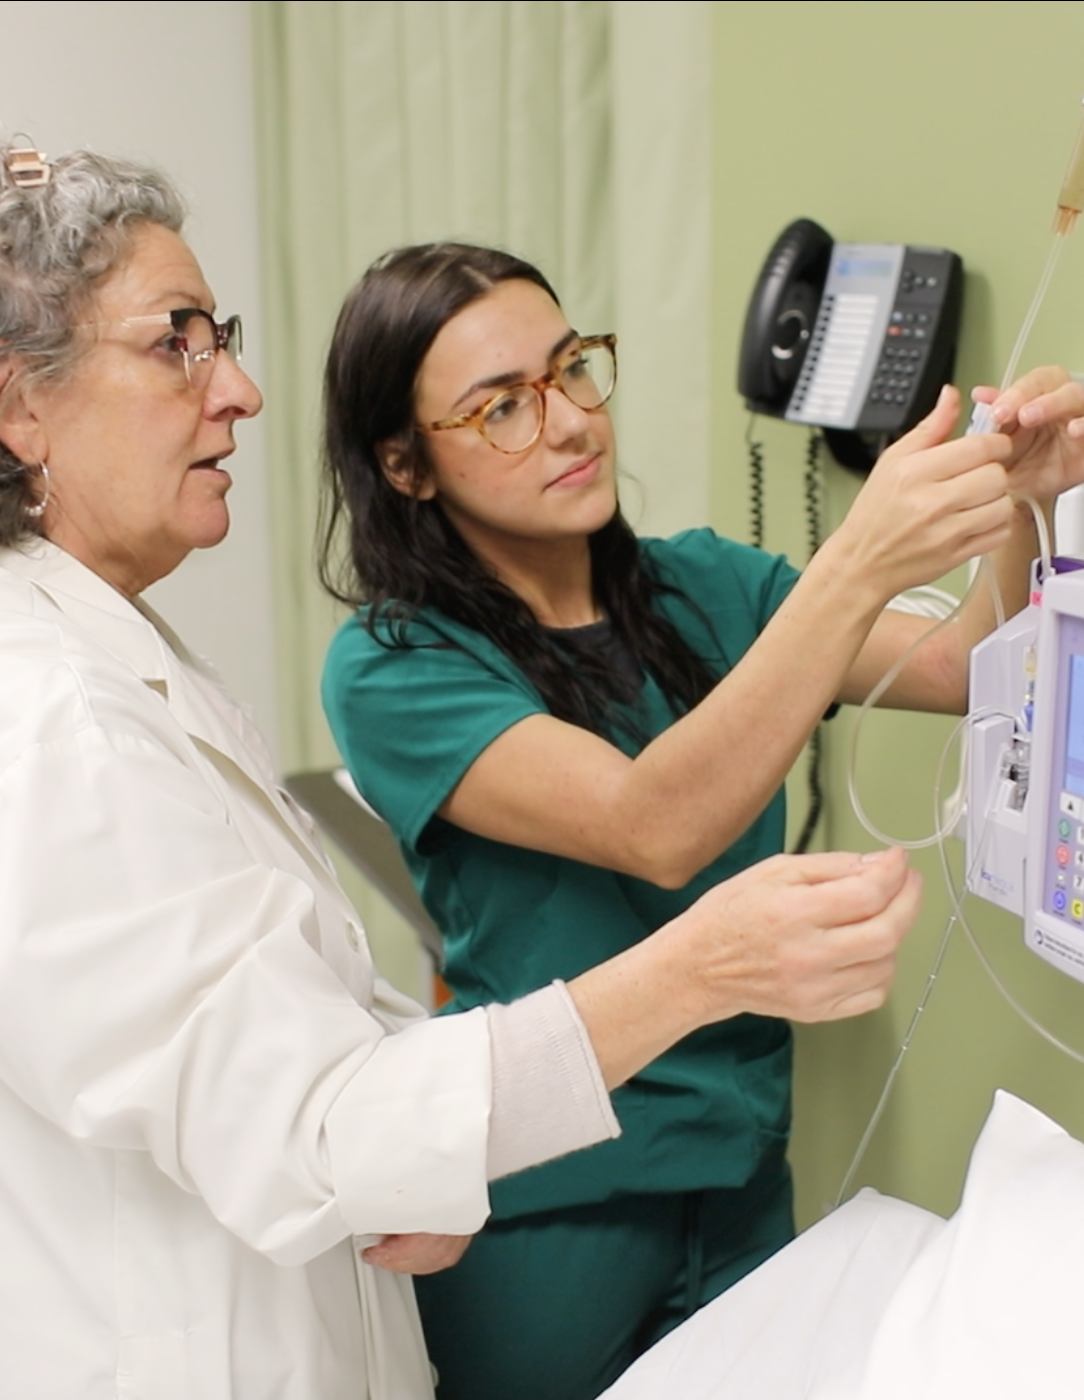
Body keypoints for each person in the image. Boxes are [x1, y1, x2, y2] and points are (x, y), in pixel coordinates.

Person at [0, 145, 934, 1400]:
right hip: (500, 1226)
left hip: (658, 1165)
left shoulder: (127, 665)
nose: (241, 389)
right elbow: (313, 1118)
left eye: (219, 334)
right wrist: (703, 963)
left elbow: (292, 1030)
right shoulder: (62, 715)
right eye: (177, 341)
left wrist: (416, 1161)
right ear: (18, 406)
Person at [318, 241, 1084, 1400]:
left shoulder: (706, 590)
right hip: (546, 1204)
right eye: (502, 407)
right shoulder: (394, 664)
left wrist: (1023, 503)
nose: (570, 422)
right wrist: (856, 563)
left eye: (573, 370)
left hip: (736, 1176)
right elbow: (654, 821)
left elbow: (975, 663)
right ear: (406, 465)